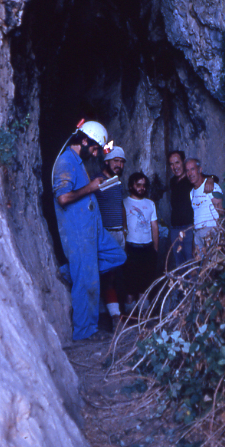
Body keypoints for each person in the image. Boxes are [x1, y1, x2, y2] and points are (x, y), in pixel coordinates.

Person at [52, 120, 126, 341]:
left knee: (118, 256)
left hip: (93, 230)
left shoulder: (77, 161)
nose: (95, 154)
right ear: (84, 141)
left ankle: (71, 271)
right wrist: (91, 188)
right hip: (79, 233)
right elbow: (63, 197)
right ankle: (85, 331)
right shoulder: (66, 162)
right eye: (94, 148)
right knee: (88, 281)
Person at [94, 146, 127, 326]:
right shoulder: (99, 180)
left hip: (118, 233)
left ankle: (114, 314)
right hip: (105, 233)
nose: (119, 165)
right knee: (107, 275)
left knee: (116, 274)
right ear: (107, 161)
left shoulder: (116, 182)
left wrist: (124, 230)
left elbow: (120, 206)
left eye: (121, 162)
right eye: (116, 161)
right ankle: (112, 317)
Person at [168, 150, 217, 266]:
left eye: (177, 162)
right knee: (179, 263)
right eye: (171, 164)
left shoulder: (191, 179)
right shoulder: (172, 181)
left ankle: (193, 284)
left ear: (183, 162)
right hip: (175, 229)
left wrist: (211, 178)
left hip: (189, 229)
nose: (175, 167)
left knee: (193, 262)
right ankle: (182, 284)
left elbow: (211, 177)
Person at [123, 172, 158, 313]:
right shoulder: (124, 203)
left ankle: (144, 316)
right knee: (130, 283)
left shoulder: (150, 204)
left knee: (146, 283)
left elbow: (154, 226)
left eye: (144, 185)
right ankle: (129, 315)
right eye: (138, 185)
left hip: (147, 249)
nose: (142, 188)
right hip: (131, 248)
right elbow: (122, 227)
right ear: (131, 186)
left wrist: (155, 249)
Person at [185, 158, 223, 253]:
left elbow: (221, 212)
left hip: (210, 232)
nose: (190, 173)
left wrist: (218, 235)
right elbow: (197, 216)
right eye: (187, 170)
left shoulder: (211, 186)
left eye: (192, 169)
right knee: (201, 265)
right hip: (198, 233)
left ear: (200, 170)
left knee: (213, 264)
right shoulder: (192, 192)